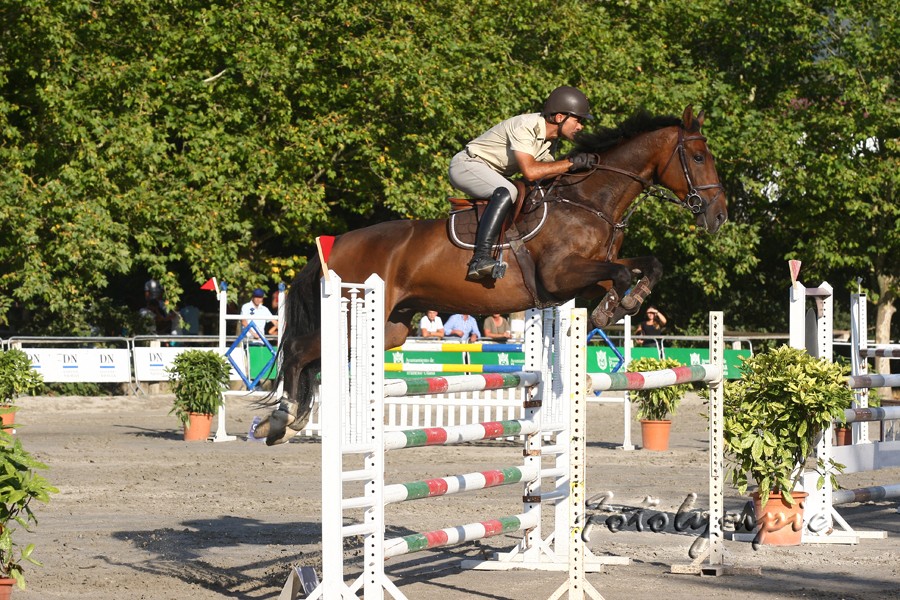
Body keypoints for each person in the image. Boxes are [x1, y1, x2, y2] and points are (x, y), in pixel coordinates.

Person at [448, 85, 596, 280]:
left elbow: (549, 173)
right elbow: (531, 171)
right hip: (466, 165)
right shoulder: (526, 126)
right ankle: (480, 259)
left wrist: (577, 166)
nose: (580, 126)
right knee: (508, 191)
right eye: (578, 120)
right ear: (560, 117)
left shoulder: (550, 140)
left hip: (493, 173)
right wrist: (569, 163)